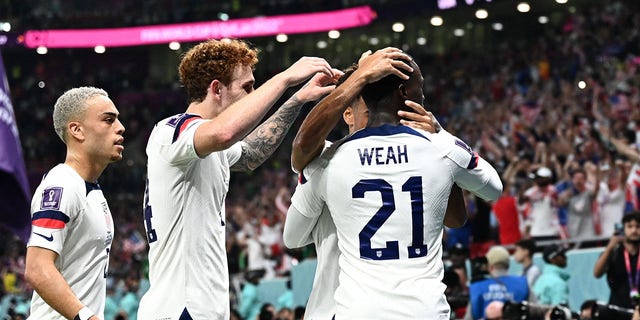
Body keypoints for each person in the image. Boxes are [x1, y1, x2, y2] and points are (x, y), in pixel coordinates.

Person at [287, 55, 502, 318]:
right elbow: (493, 189)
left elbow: (292, 236)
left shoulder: (329, 161)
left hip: (359, 310)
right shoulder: (438, 149)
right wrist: (442, 135)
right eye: (420, 87)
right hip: (424, 310)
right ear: (403, 92)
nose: (423, 95)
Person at [138, 38, 338, 319]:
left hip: (199, 306)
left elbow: (251, 153)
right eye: (247, 86)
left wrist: (298, 99)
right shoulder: (172, 130)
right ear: (216, 89)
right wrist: (284, 80)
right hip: (181, 306)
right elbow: (224, 133)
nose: (253, 93)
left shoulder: (204, 147)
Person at [24, 87, 125, 320]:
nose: (121, 127)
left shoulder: (92, 189)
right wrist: (86, 317)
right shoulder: (61, 185)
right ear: (77, 130)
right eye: (108, 120)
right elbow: (37, 268)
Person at [467, 246, 529, 320]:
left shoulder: (477, 287)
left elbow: (469, 317)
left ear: (489, 266)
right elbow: (536, 312)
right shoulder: (522, 283)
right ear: (508, 265)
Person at [594, 211, 640, 309]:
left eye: (638, 226)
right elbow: (597, 273)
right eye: (630, 226)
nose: (634, 230)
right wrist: (610, 247)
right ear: (623, 229)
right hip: (617, 309)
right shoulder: (614, 252)